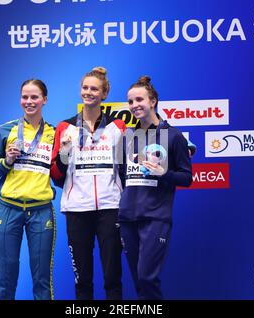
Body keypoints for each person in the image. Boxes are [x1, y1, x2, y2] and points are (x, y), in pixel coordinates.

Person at [51, 67, 125, 300]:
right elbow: (55, 174)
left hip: (110, 208)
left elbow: (125, 170)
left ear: (104, 94)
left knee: (112, 276)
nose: (88, 92)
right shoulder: (65, 127)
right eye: (85, 88)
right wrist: (64, 153)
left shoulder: (118, 127)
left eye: (94, 89)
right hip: (77, 209)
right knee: (82, 279)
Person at [119, 76, 195, 300]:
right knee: (138, 282)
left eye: (139, 100)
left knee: (146, 278)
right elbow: (121, 175)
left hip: (155, 217)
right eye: (130, 102)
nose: (134, 106)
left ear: (153, 101)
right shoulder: (127, 137)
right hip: (127, 218)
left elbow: (186, 178)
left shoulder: (173, 136)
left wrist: (164, 174)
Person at [0, 79, 56, 300]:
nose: (29, 101)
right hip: (9, 210)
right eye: (25, 97)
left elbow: (61, 172)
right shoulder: (4, 131)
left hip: (42, 212)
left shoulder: (55, 133)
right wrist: (7, 161)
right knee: (5, 280)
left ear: (44, 100)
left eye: (34, 97)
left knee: (42, 281)